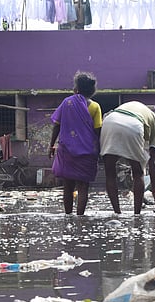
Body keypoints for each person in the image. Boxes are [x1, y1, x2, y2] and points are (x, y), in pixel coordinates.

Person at [48, 71, 102, 215]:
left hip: (67, 150)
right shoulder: (95, 107)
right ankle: (80, 218)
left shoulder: (67, 102)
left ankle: (68, 217)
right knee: (83, 187)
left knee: (68, 186)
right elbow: (98, 130)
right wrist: (100, 150)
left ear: (76, 88)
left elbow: (57, 125)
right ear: (92, 90)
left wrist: (51, 145)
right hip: (88, 151)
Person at [100, 101, 155, 214]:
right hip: (133, 124)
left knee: (110, 172)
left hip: (109, 121)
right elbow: (153, 160)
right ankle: (137, 214)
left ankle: (117, 213)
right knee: (138, 172)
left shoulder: (142, 110)